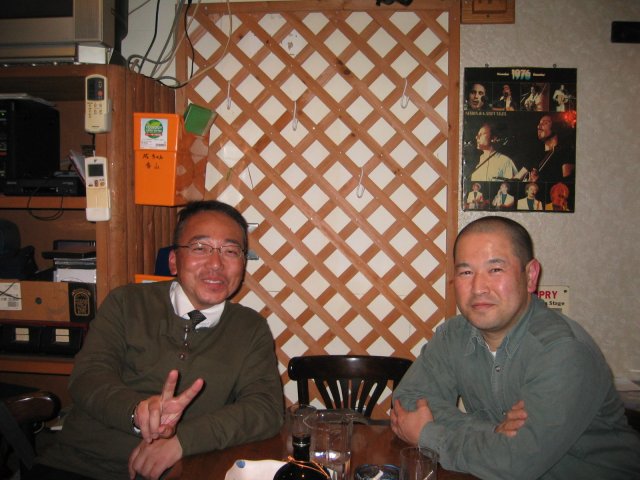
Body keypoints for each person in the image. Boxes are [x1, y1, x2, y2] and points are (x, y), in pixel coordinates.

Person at [28, 200, 284, 480]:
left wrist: (182, 441)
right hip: (80, 465)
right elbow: (88, 376)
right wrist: (138, 412)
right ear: (174, 261)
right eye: (200, 248)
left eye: (230, 251)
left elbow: (265, 408)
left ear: (243, 265)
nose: (215, 264)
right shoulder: (127, 303)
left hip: (184, 472)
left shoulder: (249, 328)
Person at [390, 216, 640, 479]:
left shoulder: (563, 352)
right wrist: (492, 432)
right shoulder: (453, 335)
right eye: (466, 272)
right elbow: (407, 403)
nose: (478, 288)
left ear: (530, 276)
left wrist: (429, 434)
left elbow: (514, 464)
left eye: (496, 269)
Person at [527, 114, 576, 185]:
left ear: (556, 127)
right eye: (539, 123)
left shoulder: (566, 152)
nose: (538, 126)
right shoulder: (537, 156)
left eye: (545, 123)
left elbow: (566, 184)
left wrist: (540, 180)